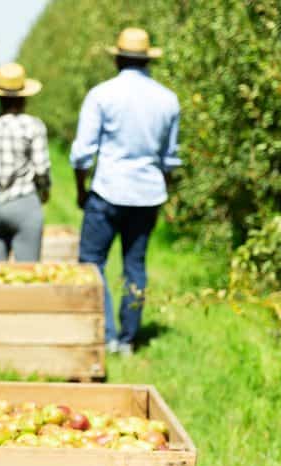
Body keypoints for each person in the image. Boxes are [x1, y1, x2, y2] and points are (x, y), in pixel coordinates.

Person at [70, 27, 181, 356]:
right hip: (147, 194)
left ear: (117, 58)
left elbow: (82, 153)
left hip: (107, 190)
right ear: (148, 61)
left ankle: (103, 335)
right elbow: (170, 159)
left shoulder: (102, 95)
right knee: (135, 265)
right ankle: (129, 339)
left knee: (92, 263)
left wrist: (81, 189)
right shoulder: (168, 99)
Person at [0, 62, 51, 262]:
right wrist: (45, 190)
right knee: (27, 276)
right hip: (24, 205)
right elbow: (41, 169)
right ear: (24, 97)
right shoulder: (32, 126)